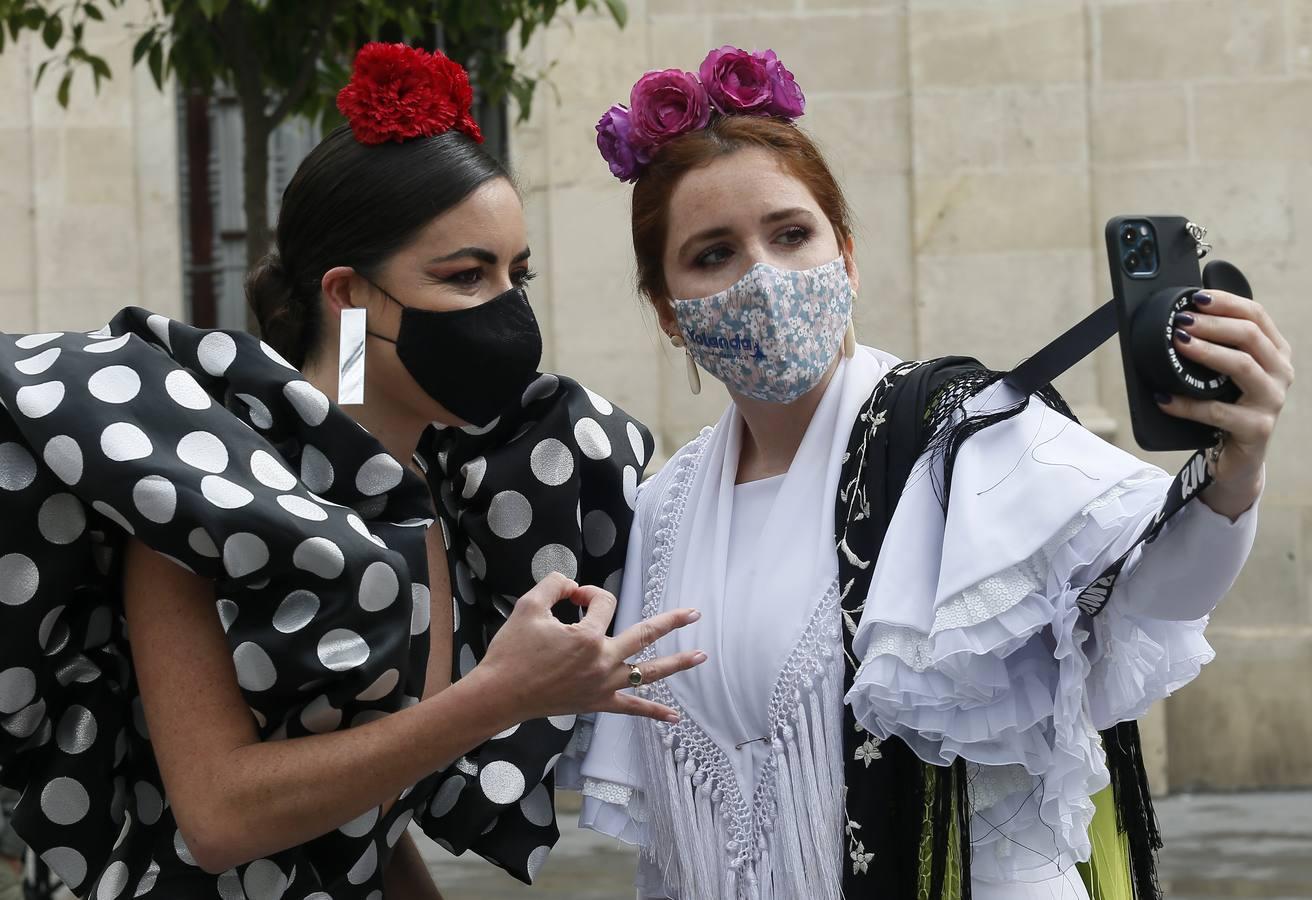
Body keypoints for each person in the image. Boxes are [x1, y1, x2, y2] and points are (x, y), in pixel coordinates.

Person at [562, 46, 1292, 900]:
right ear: (668, 312)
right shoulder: (666, 507)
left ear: (848, 256)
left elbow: (1153, 593)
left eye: (792, 234)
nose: (763, 277)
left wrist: (1235, 469)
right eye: (713, 254)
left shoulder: (961, 434)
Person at [0, 44, 705, 898]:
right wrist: (498, 696)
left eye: (516, 275)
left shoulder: (451, 494)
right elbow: (221, 815)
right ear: (349, 294)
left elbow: (360, 820)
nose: (509, 311)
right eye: (465, 276)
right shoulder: (205, 482)